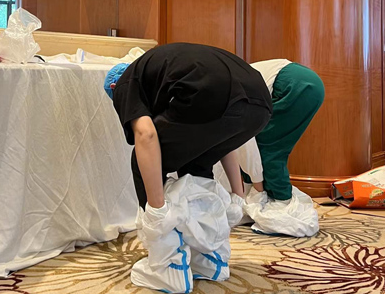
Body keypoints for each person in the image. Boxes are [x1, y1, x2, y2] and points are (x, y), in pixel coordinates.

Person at [107, 43, 273, 210]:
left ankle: (157, 222)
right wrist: (238, 195)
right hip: (261, 104)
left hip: (212, 93)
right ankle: (207, 221)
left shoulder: (124, 81)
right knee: (196, 162)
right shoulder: (165, 69)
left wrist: (156, 212)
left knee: (143, 158)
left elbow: (146, 134)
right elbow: (223, 136)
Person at [241, 59, 325, 202]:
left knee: (269, 147)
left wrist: (254, 190)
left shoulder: (225, 103)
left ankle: (282, 201)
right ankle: (276, 198)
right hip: (302, 80)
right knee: (264, 145)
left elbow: (245, 146)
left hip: (296, 84)